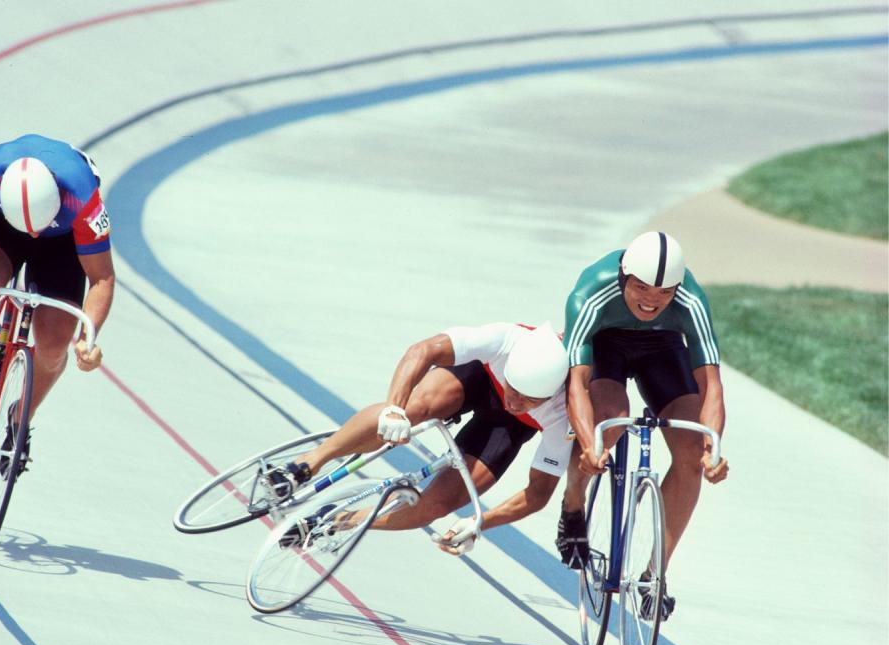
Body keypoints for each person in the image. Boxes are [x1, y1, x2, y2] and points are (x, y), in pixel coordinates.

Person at [270, 321, 571, 554]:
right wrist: (393, 410)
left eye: (531, 399)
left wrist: (480, 522)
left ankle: (339, 521)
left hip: (512, 428)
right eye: (515, 390)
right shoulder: (507, 339)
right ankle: (307, 463)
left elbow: (538, 494)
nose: (515, 402)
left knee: (436, 507)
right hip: (479, 377)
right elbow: (422, 351)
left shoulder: (563, 414)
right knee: (413, 409)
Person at [557, 231, 729, 619]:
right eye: (641, 288)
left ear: (678, 288)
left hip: (662, 348)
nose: (651, 300)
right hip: (605, 345)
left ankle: (655, 575)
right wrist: (589, 443)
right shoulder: (590, 293)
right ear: (623, 277)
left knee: (691, 453)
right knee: (609, 422)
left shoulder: (691, 300)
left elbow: (711, 385)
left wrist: (713, 450)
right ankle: (572, 503)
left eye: (664, 292)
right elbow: (577, 384)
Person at [0, 134, 115, 471]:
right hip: (6, 230)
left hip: (64, 242)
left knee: (53, 344)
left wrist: (86, 340)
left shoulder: (83, 198)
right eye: (29, 229)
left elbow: (102, 278)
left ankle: (20, 418)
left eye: (39, 227)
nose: (34, 235)